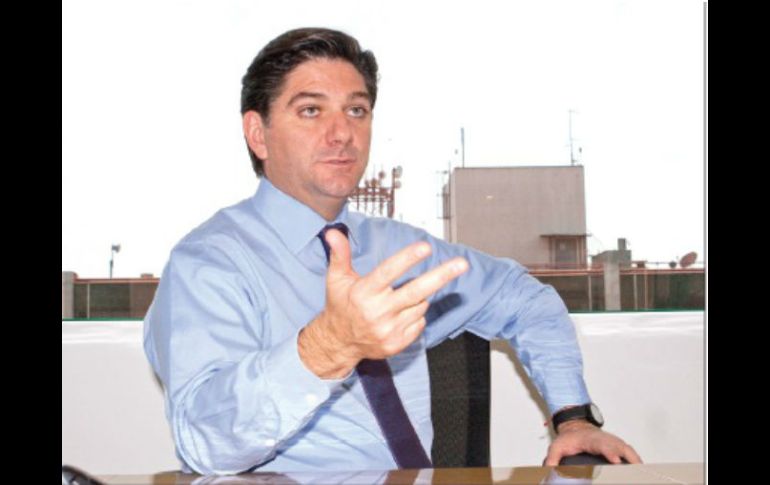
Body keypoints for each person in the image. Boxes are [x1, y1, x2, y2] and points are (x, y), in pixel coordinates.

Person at [144, 27, 641, 475]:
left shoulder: (399, 250)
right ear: (258, 134)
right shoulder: (209, 263)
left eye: (356, 110)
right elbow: (203, 442)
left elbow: (526, 299)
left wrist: (573, 418)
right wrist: (329, 346)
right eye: (311, 110)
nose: (342, 133)